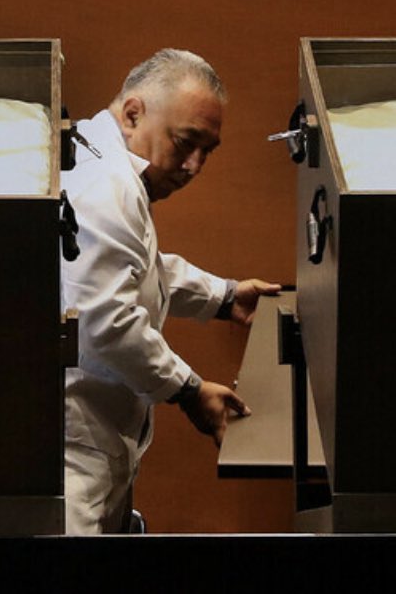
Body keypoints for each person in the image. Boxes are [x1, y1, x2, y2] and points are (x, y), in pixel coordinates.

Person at [60, 48, 281, 535]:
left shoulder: (101, 157)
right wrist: (189, 391)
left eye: (208, 150)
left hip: (93, 441)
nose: (194, 165)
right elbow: (107, 321)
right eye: (185, 143)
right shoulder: (107, 185)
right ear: (134, 112)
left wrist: (224, 297)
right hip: (75, 453)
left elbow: (138, 268)